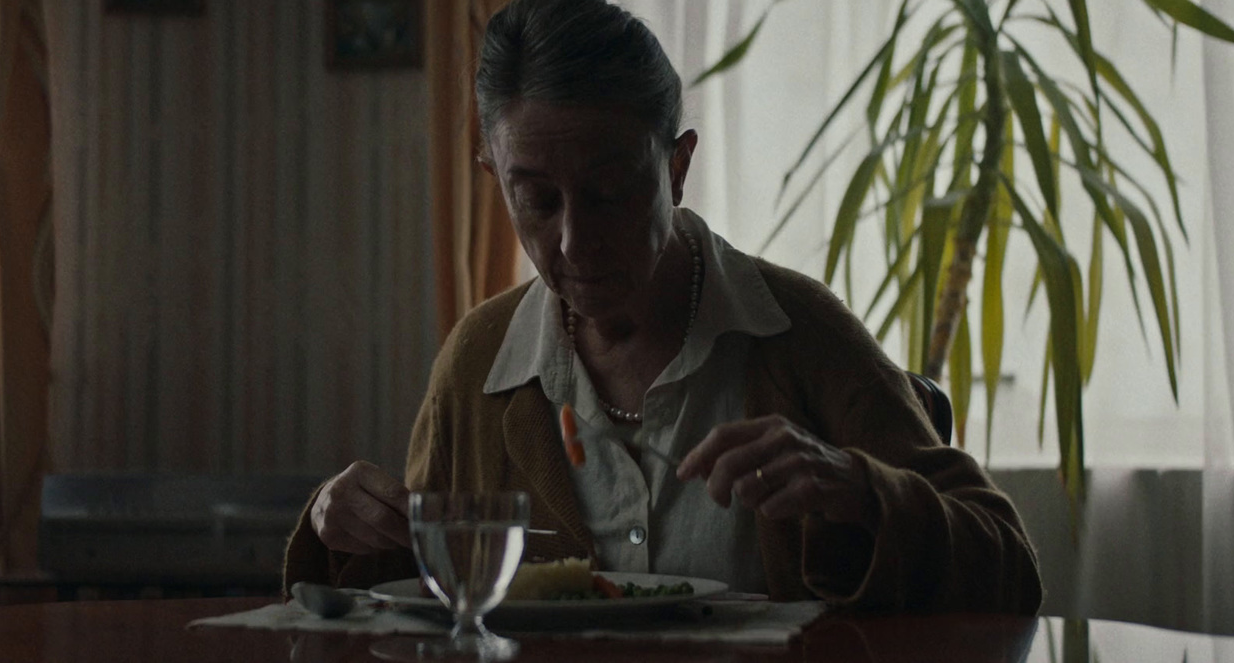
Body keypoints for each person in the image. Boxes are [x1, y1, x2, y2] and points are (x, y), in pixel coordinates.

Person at [283, 0, 1043, 613]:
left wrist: (861, 491)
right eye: (538, 199)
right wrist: (342, 522)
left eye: (611, 192)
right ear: (493, 173)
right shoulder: (479, 362)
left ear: (677, 166)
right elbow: (405, 594)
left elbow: (1008, 569)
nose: (575, 244)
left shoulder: (798, 334)